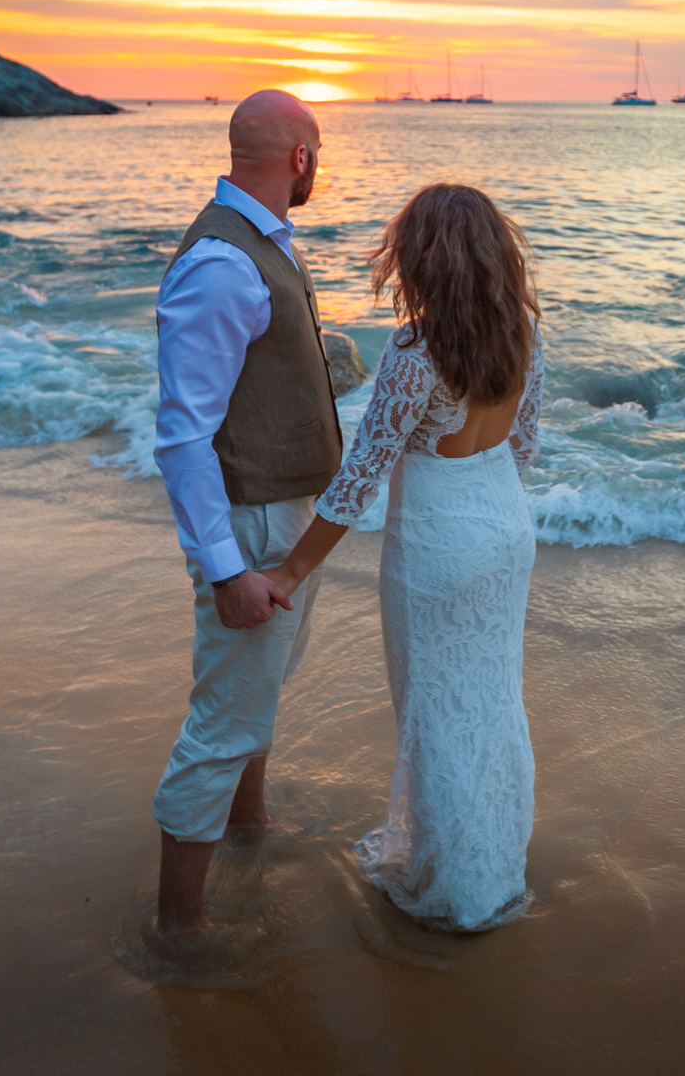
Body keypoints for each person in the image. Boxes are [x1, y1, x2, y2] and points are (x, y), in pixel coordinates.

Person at [262, 183, 544, 932]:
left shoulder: (417, 351)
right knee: (489, 701)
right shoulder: (524, 331)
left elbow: (363, 473)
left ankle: (454, 889)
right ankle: (495, 866)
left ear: (423, 259)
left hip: (438, 543)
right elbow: (525, 446)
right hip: (506, 528)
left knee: (434, 709)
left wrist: (292, 569)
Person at [150, 89, 346, 938]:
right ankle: (180, 924)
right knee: (223, 718)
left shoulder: (264, 244)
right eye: (320, 152)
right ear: (300, 157)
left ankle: (248, 822)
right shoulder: (224, 264)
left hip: (280, 514)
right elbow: (183, 438)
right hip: (252, 525)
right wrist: (227, 568)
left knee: (252, 695)